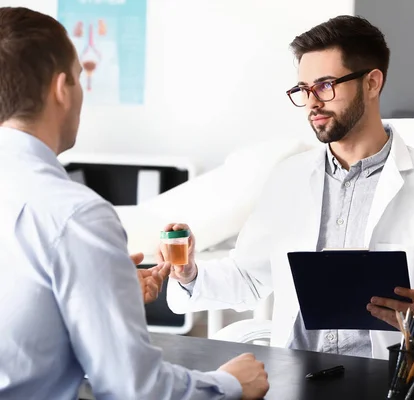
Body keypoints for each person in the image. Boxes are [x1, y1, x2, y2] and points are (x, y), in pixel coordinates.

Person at [164, 15, 414, 367]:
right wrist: (189, 274)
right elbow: (249, 275)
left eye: (325, 86)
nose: (312, 103)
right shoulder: (288, 178)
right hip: (297, 375)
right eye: (303, 89)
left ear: (372, 83)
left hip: (388, 376)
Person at [0, 7, 268, 400]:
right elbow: (134, 390)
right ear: (62, 89)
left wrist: (105, 291)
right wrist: (230, 383)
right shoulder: (77, 216)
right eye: (78, 79)